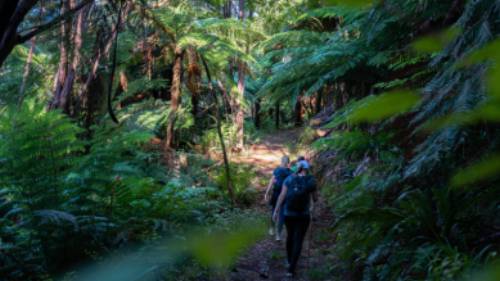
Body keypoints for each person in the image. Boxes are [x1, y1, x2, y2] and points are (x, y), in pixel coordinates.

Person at [273, 160, 317, 277]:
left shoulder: (289, 179)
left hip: (289, 214)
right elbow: (315, 198)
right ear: (307, 169)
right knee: (299, 240)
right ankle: (291, 269)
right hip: (304, 215)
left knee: (290, 237)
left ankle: (288, 260)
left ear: (297, 168)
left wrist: (276, 210)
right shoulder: (310, 181)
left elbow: (282, 196)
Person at [264, 155, 292, 241]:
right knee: (282, 214)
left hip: (277, 194)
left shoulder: (277, 170)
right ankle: (278, 234)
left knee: (274, 211)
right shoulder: (290, 172)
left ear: (281, 161)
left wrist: (267, 192)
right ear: (288, 163)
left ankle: (272, 229)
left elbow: (271, 181)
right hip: (285, 195)